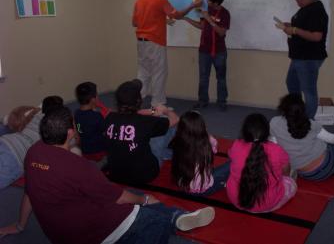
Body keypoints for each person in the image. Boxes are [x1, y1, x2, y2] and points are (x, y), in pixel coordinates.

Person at [0, 107, 215, 244]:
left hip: (59, 234)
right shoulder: (79, 166)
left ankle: (177, 216)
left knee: (132, 196)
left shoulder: (34, 152)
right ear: (70, 133)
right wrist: (146, 199)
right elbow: (119, 198)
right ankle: (175, 217)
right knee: (153, 217)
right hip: (102, 232)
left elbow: (30, 192)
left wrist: (20, 225)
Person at [132, 0, 201, 107]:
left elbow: (135, 23)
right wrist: (192, 5)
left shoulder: (139, 0)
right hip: (155, 42)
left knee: (143, 72)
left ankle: (135, 102)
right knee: (159, 73)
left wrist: (159, 19)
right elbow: (177, 15)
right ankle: (158, 105)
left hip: (141, 42)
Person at [270, 93, 334, 182]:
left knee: (323, 145)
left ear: (282, 108)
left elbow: (273, 143)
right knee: (333, 146)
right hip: (327, 167)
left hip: (306, 175)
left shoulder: (273, 122)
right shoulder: (310, 124)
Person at [104, 80, 179, 186]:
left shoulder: (109, 118)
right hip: (145, 175)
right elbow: (175, 119)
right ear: (139, 101)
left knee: (151, 130)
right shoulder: (145, 122)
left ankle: (167, 154)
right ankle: (169, 154)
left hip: (115, 174)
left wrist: (152, 111)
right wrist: (165, 110)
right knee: (167, 123)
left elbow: (129, 113)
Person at [276, 0, 328, 119]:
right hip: (299, 56)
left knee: (309, 91)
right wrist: (289, 26)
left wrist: (294, 30)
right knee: (292, 83)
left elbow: (317, 36)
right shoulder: (306, 9)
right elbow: (303, 27)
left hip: (309, 57)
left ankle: (308, 123)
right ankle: (297, 113)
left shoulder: (316, 10)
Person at [226, 113, 297, 213]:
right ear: (267, 132)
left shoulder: (236, 145)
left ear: (245, 132)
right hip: (268, 203)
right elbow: (285, 171)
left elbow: (232, 159)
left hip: (236, 199)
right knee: (291, 182)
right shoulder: (277, 150)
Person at [0, 96, 65, 189]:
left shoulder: (37, 114)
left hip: (6, 140)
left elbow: (18, 118)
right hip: (16, 156)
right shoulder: (57, 125)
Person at [183, 0, 230, 111]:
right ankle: (203, 101)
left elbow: (221, 33)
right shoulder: (205, 10)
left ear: (216, 3)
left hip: (219, 51)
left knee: (221, 78)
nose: (207, 1)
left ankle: (222, 101)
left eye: (209, 0)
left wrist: (210, 20)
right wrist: (186, 19)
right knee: (203, 77)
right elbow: (202, 26)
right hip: (204, 50)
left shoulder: (225, 13)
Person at [170, 111, 230, 196]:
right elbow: (215, 149)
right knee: (232, 164)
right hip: (201, 191)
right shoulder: (205, 143)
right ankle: (222, 183)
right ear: (201, 128)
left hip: (183, 185)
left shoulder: (178, 140)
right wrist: (207, 135)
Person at [74, 82, 109, 160]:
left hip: (85, 151)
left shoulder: (76, 114)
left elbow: (79, 129)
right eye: (97, 95)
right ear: (93, 99)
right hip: (99, 151)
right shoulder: (97, 116)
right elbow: (105, 131)